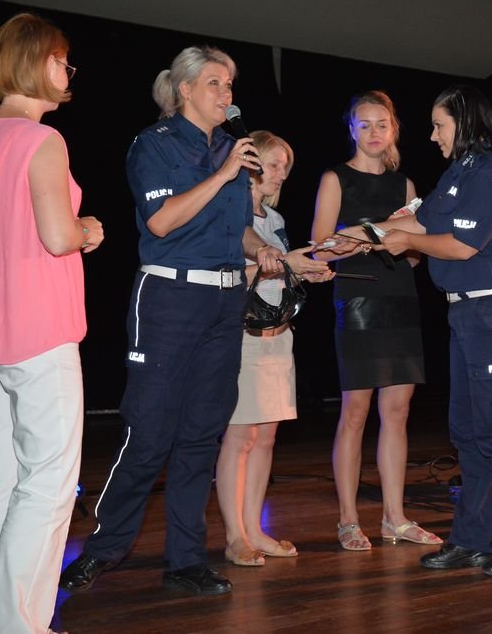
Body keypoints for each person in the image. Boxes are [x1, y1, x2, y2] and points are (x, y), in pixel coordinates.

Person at [59, 46, 328, 595]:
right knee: (149, 431)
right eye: (214, 83)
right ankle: (104, 549)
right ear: (184, 89)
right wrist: (224, 174)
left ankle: (185, 560)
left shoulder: (233, 148)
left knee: (202, 435)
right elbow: (161, 221)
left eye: (230, 84)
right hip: (169, 298)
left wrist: (262, 249)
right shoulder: (154, 145)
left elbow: (236, 229)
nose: (226, 94)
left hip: (225, 305)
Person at [341, 84, 492, 577]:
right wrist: (341, 242)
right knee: (469, 432)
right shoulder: (458, 173)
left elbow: (461, 245)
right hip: (466, 313)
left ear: (465, 122)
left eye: (439, 125)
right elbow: (412, 223)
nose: (433, 135)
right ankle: (473, 541)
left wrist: (401, 239)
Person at [0, 13, 103, 634]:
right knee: (46, 487)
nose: (68, 71)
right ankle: (15, 626)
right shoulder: (43, 141)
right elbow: (58, 235)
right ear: (40, 62)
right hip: (36, 333)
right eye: (62, 60)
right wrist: (89, 230)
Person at [310, 90, 439, 551]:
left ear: (394, 128)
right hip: (358, 299)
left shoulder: (405, 186)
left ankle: (394, 518)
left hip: (400, 298)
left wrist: (401, 243)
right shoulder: (335, 178)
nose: (373, 132)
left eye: (381, 124)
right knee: (355, 412)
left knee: (398, 412)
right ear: (351, 129)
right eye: (364, 124)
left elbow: (414, 252)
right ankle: (348, 520)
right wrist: (372, 234)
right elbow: (319, 249)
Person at [216, 130, 336, 566]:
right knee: (239, 437)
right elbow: (227, 276)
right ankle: (234, 536)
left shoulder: (276, 220)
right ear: (251, 165)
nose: (282, 172)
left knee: (265, 437)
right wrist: (280, 267)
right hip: (244, 337)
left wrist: (305, 272)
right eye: (273, 163)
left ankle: (254, 530)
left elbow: (278, 272)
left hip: (278, 336)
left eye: (286, 165)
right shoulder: (227, 215)